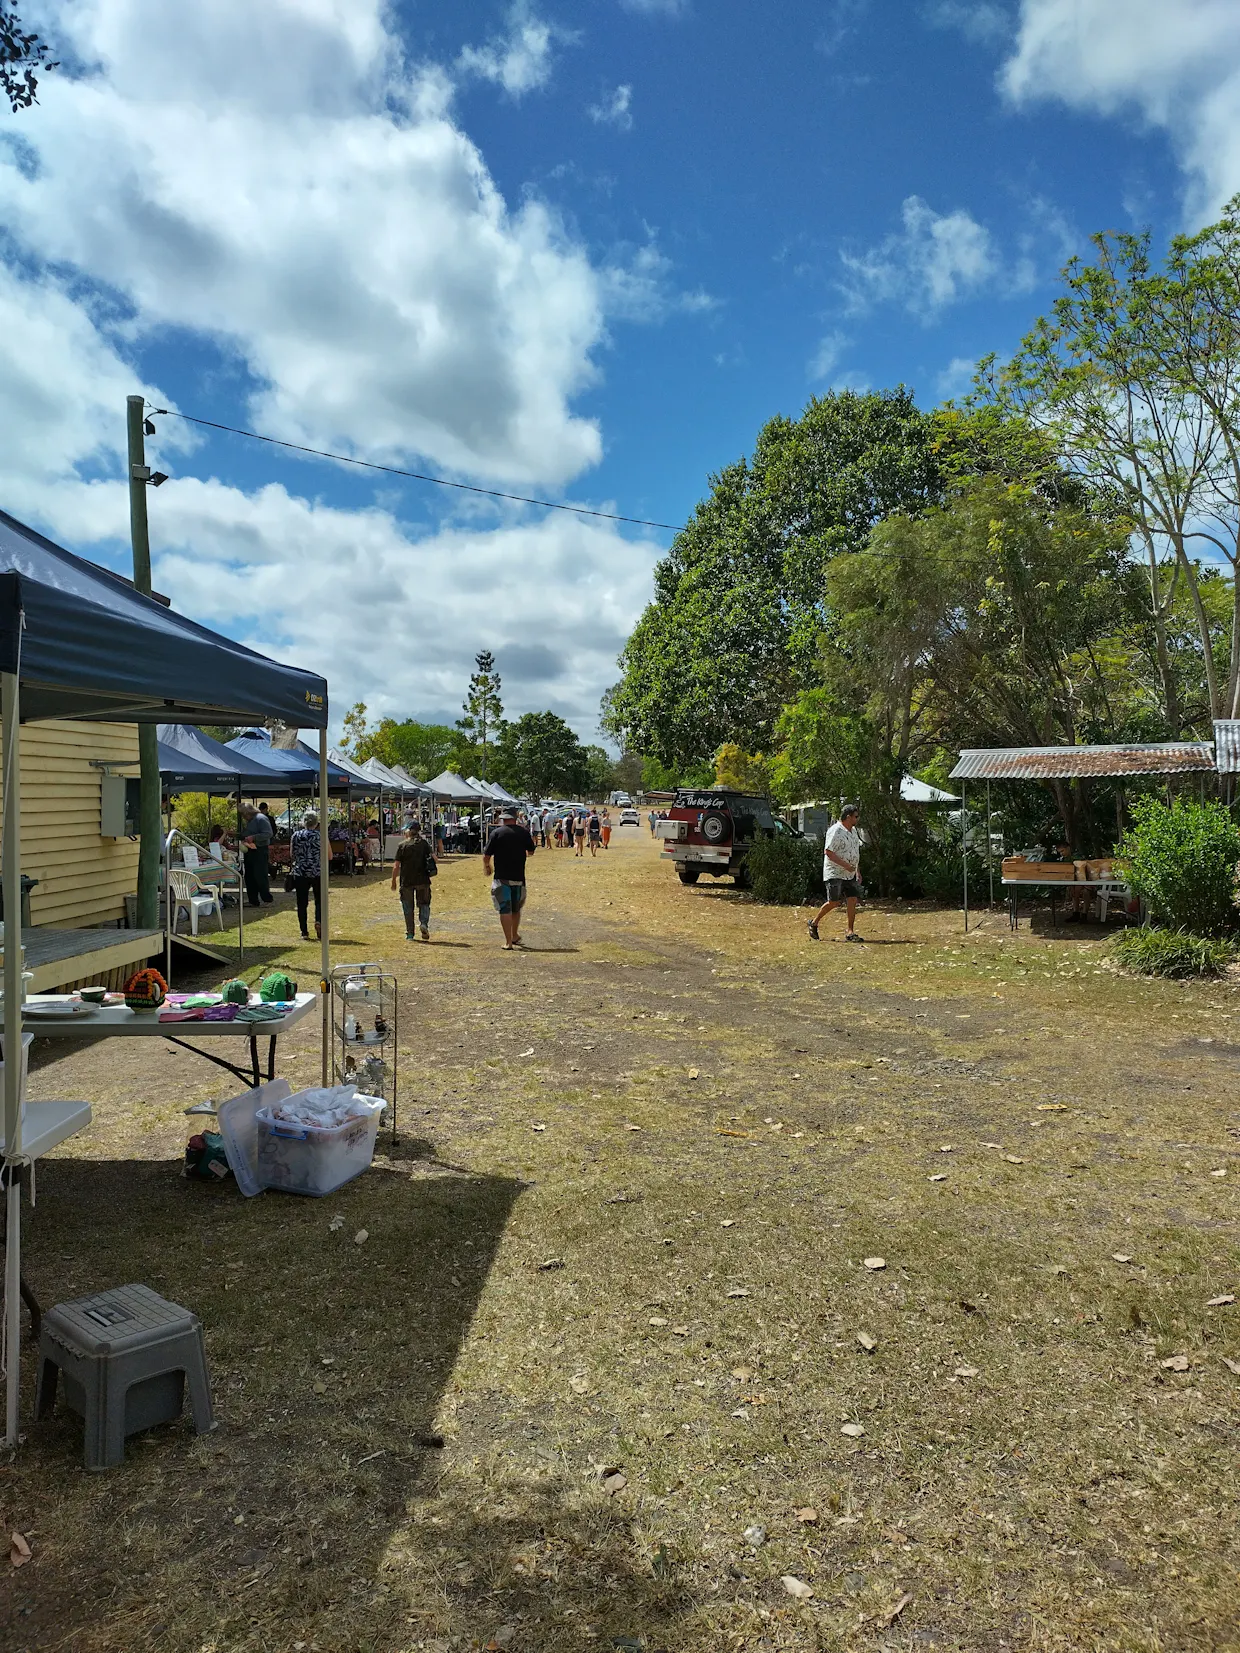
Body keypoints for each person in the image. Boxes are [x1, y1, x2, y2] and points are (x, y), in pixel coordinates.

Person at [807, 803, 863, 942]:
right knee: (834, 902)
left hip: (849, 874)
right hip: (835, 872)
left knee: (852, 899)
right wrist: (845, 865)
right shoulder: (836, 831)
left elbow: (855, 852)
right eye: (856, 816)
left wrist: (857, 870)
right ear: (848, 817)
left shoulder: (853, 831)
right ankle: (814, 923)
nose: (857, 819)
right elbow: (828, 852)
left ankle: (850, 931)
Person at [483, 805, 536, 950]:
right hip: (519, 877)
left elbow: (486, 855)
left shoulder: (496, 833)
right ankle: (514, 934)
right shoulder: (524, 833)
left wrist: (487, 867)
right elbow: (531, 851)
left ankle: (508, 942)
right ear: (515, 818)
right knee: (516, 908)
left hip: (501, 878)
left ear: (503, 819)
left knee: (504, 909)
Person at [391, 819, 436, 942]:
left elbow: (396, 866)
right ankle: (424, 924)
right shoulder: (424, 844)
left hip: (406, 881)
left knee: (407, 907)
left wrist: (393, 881)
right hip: (423, 880)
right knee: (424, 904)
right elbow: (435, 859)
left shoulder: (402, 845)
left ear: (409, 831)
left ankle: (410, 934)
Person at [289, 811, 322, 940]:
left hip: (300, 872)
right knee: (319, 900)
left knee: (301, 903)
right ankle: (319, 920)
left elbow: (292, 855)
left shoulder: (296, 835)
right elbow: (329, 855)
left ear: (304, 822)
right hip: (317, 872)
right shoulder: (320, 836)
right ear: (316, 823)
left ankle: (304, 931)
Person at [239, 802, 274, 906]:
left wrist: (253, 837)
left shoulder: (261, 818)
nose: (243, 817)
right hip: (250, 851)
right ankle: (253, 900)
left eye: (243, 814)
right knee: (249, 876)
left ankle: (267, 899)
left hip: (260, 850)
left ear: (248, 812)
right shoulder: (251, 820)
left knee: (260, 875)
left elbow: (268, 833)